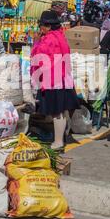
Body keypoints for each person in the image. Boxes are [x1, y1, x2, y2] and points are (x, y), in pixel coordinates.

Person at [30, 10, 79, 152]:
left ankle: (58, 142)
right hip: (64, 78)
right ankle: (60, 139)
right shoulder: (61, 36)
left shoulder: (48, 39)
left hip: (54, 80)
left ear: (48, 26)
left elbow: (38, 59)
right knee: (61, 112)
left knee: (57, 112)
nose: (40, 29)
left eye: (42, 26)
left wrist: (36, 43)